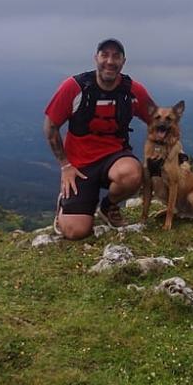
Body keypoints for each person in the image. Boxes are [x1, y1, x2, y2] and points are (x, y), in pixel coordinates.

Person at [43, 38, 155, 239]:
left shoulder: (132, 90)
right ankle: (69, 204)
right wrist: (65, 166)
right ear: (96, 58)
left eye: (116, 56)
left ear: (123, 61)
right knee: (75, 232)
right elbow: (51, 127)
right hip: (79, 166)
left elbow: (157, 119)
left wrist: (171, 150)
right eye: (105, 55)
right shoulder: (75, 87)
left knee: (131, 174)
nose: (110, 61)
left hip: (115, 157)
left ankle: (108, 206)